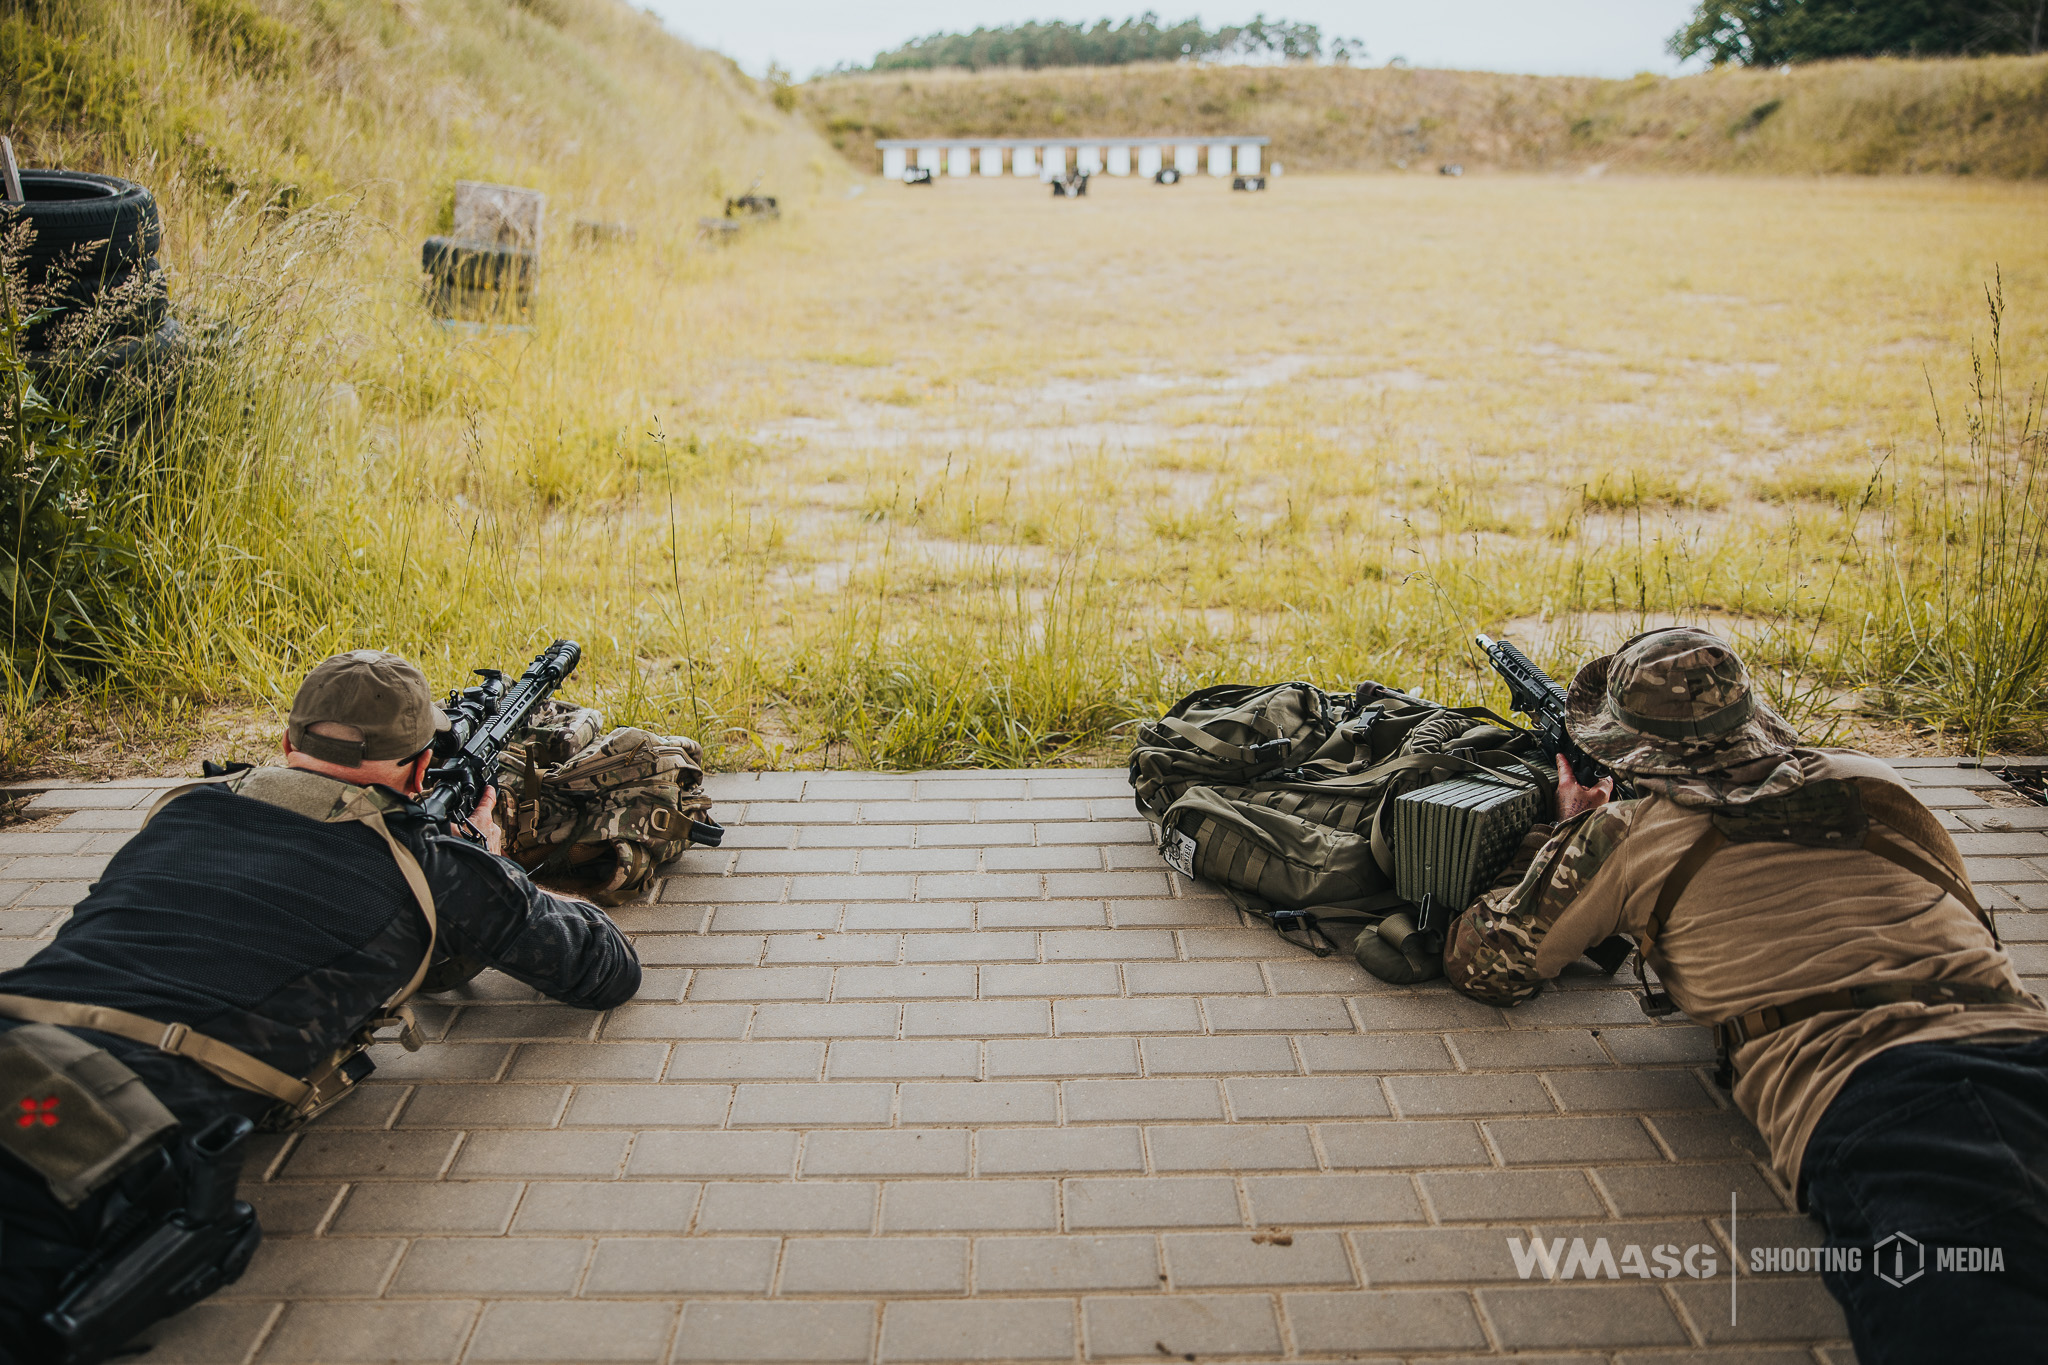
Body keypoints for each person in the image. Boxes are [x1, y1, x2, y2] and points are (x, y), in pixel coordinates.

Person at [0, 650, 640, 1363]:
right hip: (92, 1130)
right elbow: (606, 969)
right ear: (424, 771)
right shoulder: (432, 866)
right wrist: (498, 867)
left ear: (288, 746)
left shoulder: (188, 805)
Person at [1443, 627, 2048, 1360]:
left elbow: (1486, 961)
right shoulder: (1876, 776)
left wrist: (1568, 832)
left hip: (1877, 1095)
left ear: (1630, 748)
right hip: (2021, 1040)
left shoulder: (1630, 835)